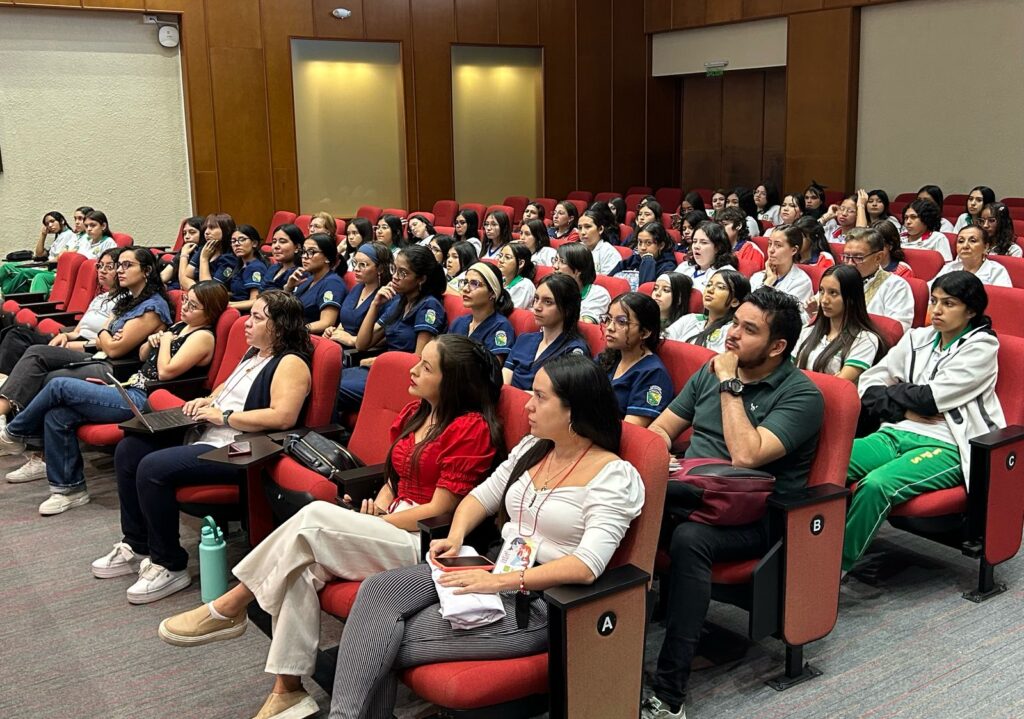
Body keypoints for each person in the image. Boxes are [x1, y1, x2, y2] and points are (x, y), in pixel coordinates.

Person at [155, 334, 506, 719]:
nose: (414, 369)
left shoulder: (470, 428)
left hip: (426, 543)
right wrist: (380, 505)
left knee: (313, 519)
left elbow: (440, 507)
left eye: (426, 367)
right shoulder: (418, 413)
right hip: (391, 526)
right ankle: (287, 689)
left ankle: (233, 603)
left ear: (452, 380)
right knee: (300, 568)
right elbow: (394, 477)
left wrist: (378, 519)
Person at [322, 354, 643, 719]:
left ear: (573, 410)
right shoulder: (533, 449)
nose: (528, 406)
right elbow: (480, 496)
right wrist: (456, 536)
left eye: (540, 397)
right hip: (495, 566)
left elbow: (587, 566)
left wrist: (499, 582)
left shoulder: (614, 477)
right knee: (378, 591)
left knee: (385, 638)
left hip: (538, 602)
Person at [643, 288, 824, 719]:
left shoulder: (802, 396)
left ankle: (670, 697)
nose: (733, 334)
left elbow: (747, 455)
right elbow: (662, 427)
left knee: (689, 539)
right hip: (692, 491)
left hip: (755, 517)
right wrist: (654, 456)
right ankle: (581, 641)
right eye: (735, 322)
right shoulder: (712, 370)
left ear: (778, 346)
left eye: (749, 329)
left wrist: (729, 383)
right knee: (618, 503)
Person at [88, 291, 311, 604]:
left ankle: (170, 565)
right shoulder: (254, 352)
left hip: (243, 448)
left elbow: (283, 417)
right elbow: (226, 388)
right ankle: (136, 543)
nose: (247, 323)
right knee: (131, 449)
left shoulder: (290, 362)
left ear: (280, 327)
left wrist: (224, 414)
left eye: (258, 318)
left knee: (153, 467)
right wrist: (207, 400)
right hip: (210, 433)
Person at [0, 282, 227, 513]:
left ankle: (14, 433)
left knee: (59, 386)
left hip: (147, 401)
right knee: (58, 415)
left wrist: (166, 340)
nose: (185, 307)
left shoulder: (203, 337)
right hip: (130, 387)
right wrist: (151, 343)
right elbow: (142, 357)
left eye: (194, 305)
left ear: (210, 310)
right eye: (186, 301)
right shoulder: (181, 326)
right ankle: (69, 490)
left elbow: (166, 372)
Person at [844, 272, 1003, 574]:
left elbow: (931, 398)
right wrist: (904, 409)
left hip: (948, 445)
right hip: (898, 429)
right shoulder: (918, 337)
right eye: (934, 301)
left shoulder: (982, 347)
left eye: (949, 303)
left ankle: (826, 574)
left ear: (971, 310)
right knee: (829, 464)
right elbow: (868, 384)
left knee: (876, 486)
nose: (937, 310)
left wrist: (895, 392)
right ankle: (794, 547)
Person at [339, 245, 447, 411]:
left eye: (403, 273)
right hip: (380, 370)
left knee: (332, 389)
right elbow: (362, 344)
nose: (395, 277)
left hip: (401, 377)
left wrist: (378, 361)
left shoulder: (429, 306)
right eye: (394, 269)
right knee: (323, 381)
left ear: (421, 279)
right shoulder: (399, 301)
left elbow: (418, 358)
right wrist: (375, 304)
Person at [0, 248, 120, 377]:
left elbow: (104, 343)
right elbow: (77, 331)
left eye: (109, 267)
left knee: (31, 348)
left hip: (88, 349)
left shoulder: (124, 301)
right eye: (100, 266)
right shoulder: (100, 298)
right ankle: (7, 378)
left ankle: (7, 382)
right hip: (74, 340)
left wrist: (71, 345)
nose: (102, 270)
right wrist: (66, 336)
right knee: (16, 333)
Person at [794, 264, 886, 382]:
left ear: (851, 298)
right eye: (822, 291)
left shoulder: (865, 339)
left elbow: (837, 385)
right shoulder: (807, 331)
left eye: (833, 293)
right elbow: (789, 372)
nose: (824, 300)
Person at [503, 273, 589, 390]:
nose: (537, 307)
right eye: (536, 299)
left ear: (567, 309)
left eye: (548, 302)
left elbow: (557, 399)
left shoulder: (573, 351)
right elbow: (504, 383)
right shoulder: (524, 339)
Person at [597, 293, 672, 427]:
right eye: (608, 319)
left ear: (645, 332)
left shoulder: (653, 374)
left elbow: (630, 431)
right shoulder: (607, 357)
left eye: (621, 322)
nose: (610, 327)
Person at [842, 227, 915, 330]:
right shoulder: (837, 278)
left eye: (858, 257)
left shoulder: (895, 286)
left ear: (878, 257)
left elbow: (897, 329)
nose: (850, 263)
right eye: (846, 256)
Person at [324, 241, 392, 350]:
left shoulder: (387, 296)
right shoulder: (357, 288)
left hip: (358, 353)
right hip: (340, 346)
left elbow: (380, 337)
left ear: (380, 269)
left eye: (363, 265)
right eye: (355, 263)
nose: (356, 268)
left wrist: (351, 339)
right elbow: (345, 320)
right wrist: (335, 332)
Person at [664, 269, 750, 352]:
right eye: (708, 285)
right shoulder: (690, 319)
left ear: (734, 301)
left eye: (720, 287)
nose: (710, 290)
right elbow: (662, 342)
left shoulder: (730, 331)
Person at [284, 233, 347, 335]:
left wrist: (293, 331)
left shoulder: (333, 283)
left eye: (311, 252)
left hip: (306, 338)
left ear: (327, 258)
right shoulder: (308, 279)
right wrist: (288, 288)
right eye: (304, 251)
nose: (304, 256)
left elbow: (326, 323)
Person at [451, 262, 516, 359]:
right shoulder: (459, 322)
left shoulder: (500, 327)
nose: (465, 289)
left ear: (492, 293)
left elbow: (493, 368)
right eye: (465, 282)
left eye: (474, 284)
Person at [749, 225, 814, 308]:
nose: (771, 250)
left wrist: (767, 285)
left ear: (794, 250)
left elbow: (784, 316)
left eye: (778, 245)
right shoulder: (757, 277)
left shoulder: (801, 282)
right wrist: (769, 281)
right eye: (769, 244)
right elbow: (749, 308)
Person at [930, 225, 1011, 288]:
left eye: (973, 241)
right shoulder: (950, 268)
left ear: (985, 247)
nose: (965, 246)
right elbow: (929, 290)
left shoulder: (997, 271)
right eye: (961, 241)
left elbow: (1002, 302)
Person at [554, 242, 610, 323]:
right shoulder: (552, 288)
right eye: (555, 260)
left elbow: (585, 325)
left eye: (562, 261)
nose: (555, 266)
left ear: (578, 270)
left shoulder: (598, 294)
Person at [674, 221, 737, 292]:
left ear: (718, 247)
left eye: (704, 242)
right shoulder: (685, 266)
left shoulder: (726, 273)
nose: (696, 246)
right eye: (694, 241)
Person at [612, 222, 677, 285]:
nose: (643, 247)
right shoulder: (633, 259)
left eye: (648, 243)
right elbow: (609, 279)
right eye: (640, 242)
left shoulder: (668, 267)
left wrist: (647, 261)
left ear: (661, 245)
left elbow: (646, 291)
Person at [226, 224, 269, 312]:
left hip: (244, 314)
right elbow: (238, 293)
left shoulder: (255, 267)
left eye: (242, 240)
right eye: (233, 241)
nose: (237, 244)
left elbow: (254, 301)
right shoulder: (240, 265)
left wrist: (227, 305)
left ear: (254, 243)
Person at [189, 213, 238, 290]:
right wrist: (197, 291)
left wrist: (204, 259)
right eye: (206, 228)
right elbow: (186, 276)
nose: (206, 232)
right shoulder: (205, 248)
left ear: (226, 230)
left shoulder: (230, 258)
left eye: (212, 228)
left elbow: (210, 291)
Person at [716, 207, 764, 271]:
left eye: (725, 224)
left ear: (738, 226)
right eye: (718, 225)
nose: (720, 229)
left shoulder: (752, 251)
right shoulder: (716, 247)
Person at [163, 217, 205, 289]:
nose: (187, 237)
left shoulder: (205, 252)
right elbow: (164, 275)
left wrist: (184, 255)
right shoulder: (185, 248)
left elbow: (185, 283)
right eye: (184, 233)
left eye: (192, 232)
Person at [493, 241, 535, 310]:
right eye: (500, 256)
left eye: (507, 257)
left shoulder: (525, 285)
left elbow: (510, 313)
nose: (500, 260)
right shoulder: (501, 281)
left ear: (521, 263)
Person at [261, 223, 303, 290]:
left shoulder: (299, 274)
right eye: (274, 242)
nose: (276, 246)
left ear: (297, 247)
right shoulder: (273, 268)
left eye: (282, 242)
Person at [651, 272, 693, 336]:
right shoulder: (641, 318)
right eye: (655, 288)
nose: (657, 293)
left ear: (679, 298)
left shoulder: (680, 327)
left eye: (666, 290)